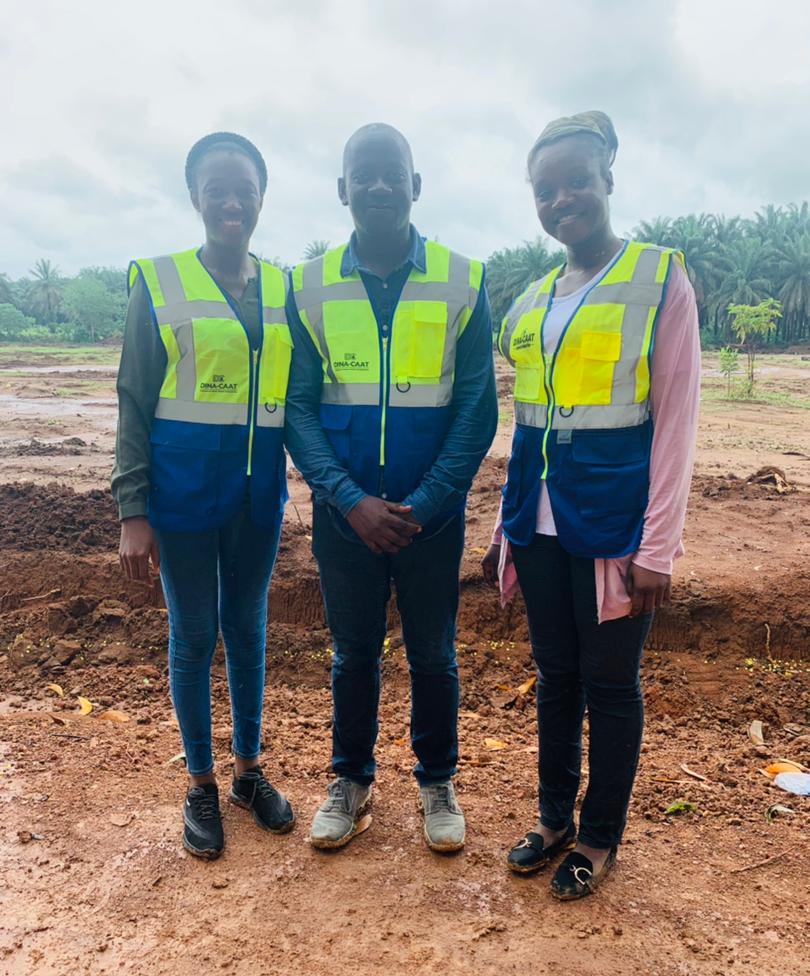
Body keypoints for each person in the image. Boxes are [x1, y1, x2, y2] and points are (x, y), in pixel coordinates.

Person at [482, 111, 700, 899]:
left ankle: (600, 834)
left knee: (610, 685)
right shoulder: (534, 300)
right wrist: (506, 530)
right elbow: (526, 425)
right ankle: (553, 819)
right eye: (546, 188)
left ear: (609, 177)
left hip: (615, 523)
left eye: (577, 180)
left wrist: (658, 548)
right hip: (538, 525)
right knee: (554, 676)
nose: (562, 197)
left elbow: (676, 423)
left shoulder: (657, 278)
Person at [285, 123, 498, 853]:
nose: (377, 186)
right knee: (353, 654)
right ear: (343, 189)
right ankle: (350, 781)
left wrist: (428, 502)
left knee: (434, 654)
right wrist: (349, 499)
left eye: (391, 174)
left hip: (428, 519)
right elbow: (299, 408)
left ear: (415, 184)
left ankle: (437, 780)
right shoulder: (307, 285)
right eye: (362, 175)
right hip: (346, 517)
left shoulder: (462, 278)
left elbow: (477, 409)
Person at [113, 132, 295, 860]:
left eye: (243, 188)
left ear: (261, 196)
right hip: (181, 496)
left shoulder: (284, 287)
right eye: (215, 188)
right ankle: (200, 783)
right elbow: (132, 398)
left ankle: (249, 773)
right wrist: (133, 511)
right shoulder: (158, 283)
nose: (230, 201)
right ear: (195, 196)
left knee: (248, 629)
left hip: (258, 495)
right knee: (193, 635)